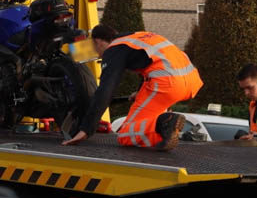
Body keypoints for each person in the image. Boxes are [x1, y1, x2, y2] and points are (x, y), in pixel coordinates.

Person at [62, 24, 203, 151]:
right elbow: (154, 62)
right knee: (146, 123)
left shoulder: (114, 49)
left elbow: (105, 91)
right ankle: (166, 131)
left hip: (167, 83)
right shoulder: (138, 36)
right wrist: (141, 91)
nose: (98, 55)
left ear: (97, 41)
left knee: (126, 134)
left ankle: (164, 123)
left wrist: (86, 129)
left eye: (94, 49)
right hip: (190, 81)